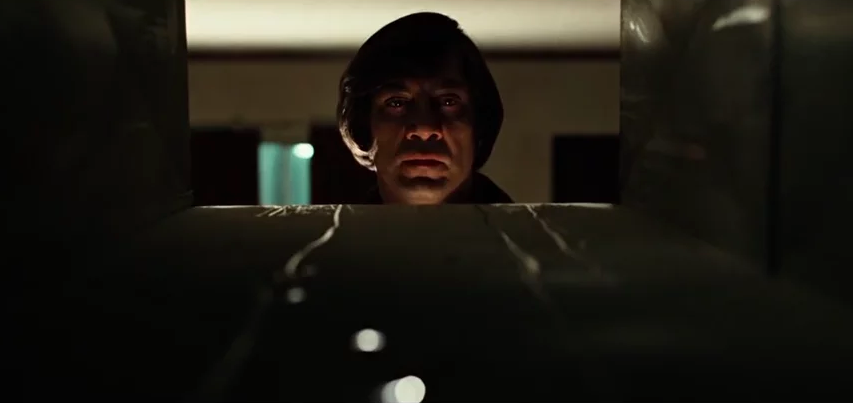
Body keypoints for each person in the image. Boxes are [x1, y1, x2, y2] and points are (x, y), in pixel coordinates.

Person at [336, 12, 513, 204]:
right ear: (363, 126)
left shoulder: (528, 226)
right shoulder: (335, 225)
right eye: (396, 103)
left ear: (480, 124)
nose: (424, 130)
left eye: (449, 102)